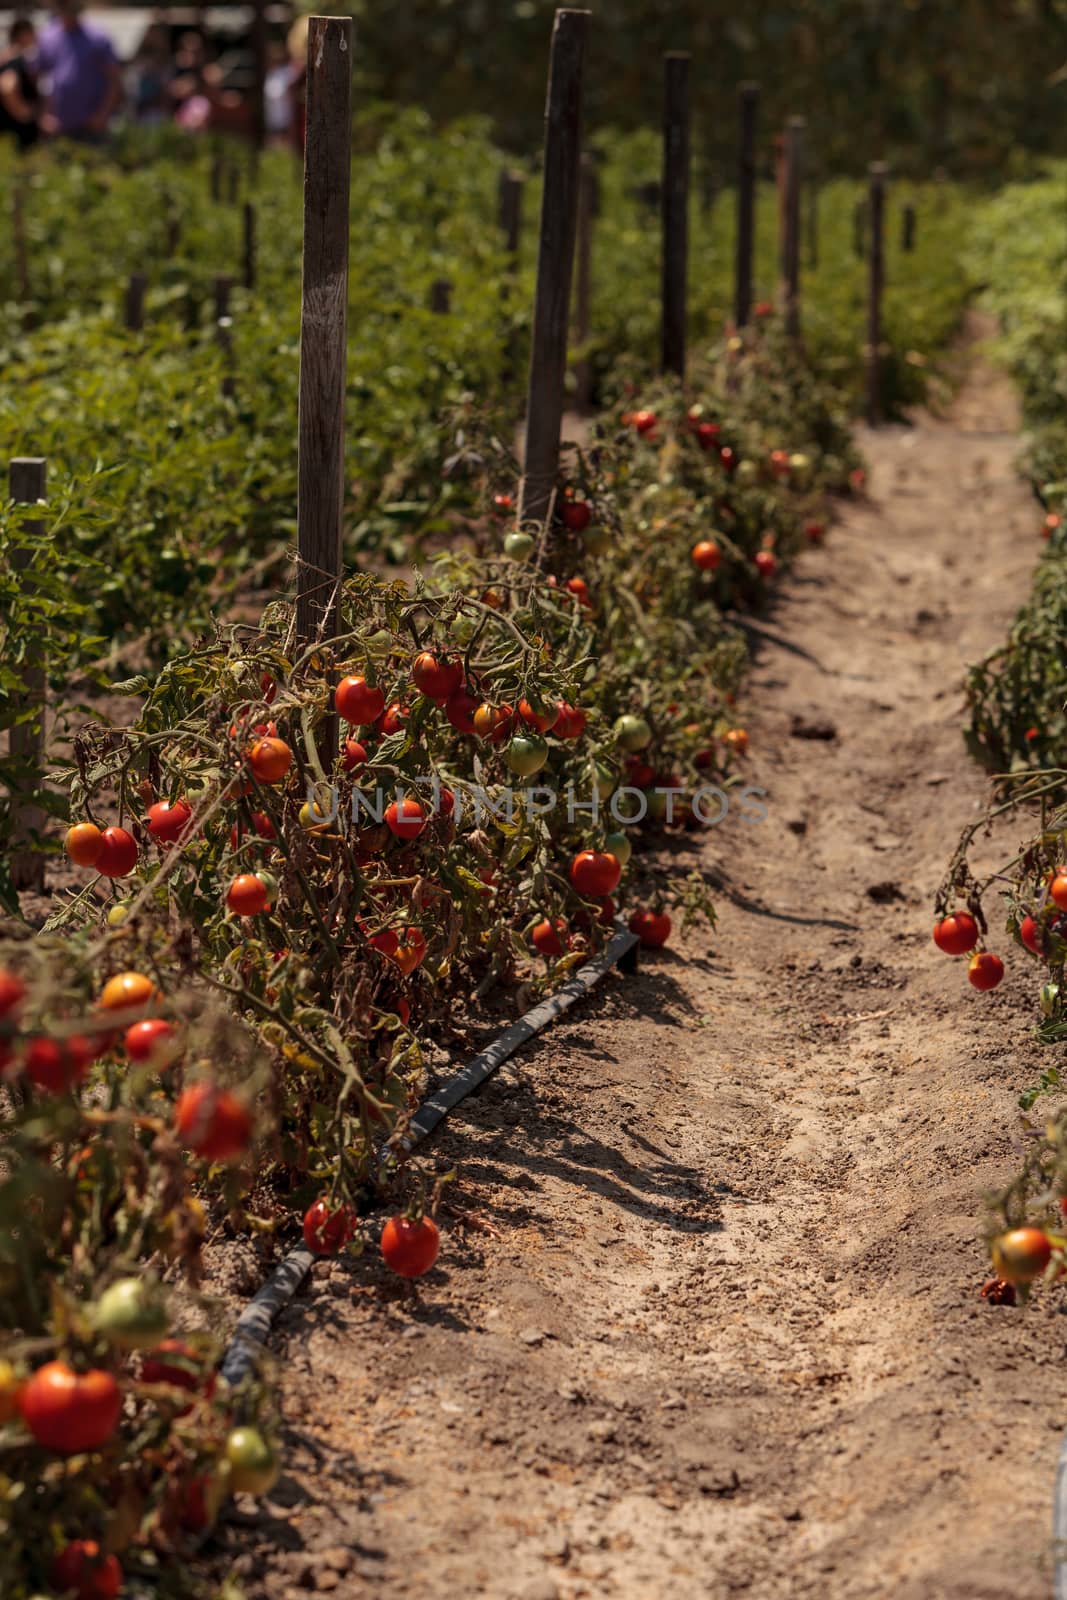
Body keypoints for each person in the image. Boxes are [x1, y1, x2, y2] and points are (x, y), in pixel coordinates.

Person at [36, 0, 122, 143]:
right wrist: (43, 115)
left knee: (95, 164)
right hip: (57, 125)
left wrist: (103, 114)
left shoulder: (98, 38)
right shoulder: (47, 37)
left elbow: (115, 80)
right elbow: (38, 78)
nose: (68, 8)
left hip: (92, 125)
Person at [0, 17, 41, 151]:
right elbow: (7, 86)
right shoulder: (16, 58)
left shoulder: (5, 56)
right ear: (24, 34)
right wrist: (25, 114)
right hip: (17, 132)